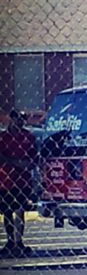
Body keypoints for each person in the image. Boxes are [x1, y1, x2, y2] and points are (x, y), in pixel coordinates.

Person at [0, 109, 38, 256]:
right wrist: (16, 163)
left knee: (20, 210)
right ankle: (10, 241)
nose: (20, 121)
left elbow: (34, 158)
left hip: (23, 181)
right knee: (7, 212)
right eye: (18, 119)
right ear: (12, 119)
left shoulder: (29, 137)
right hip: (5, 180)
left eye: (23, 119)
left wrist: (27, 164)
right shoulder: (3, 138)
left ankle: (18, 241)